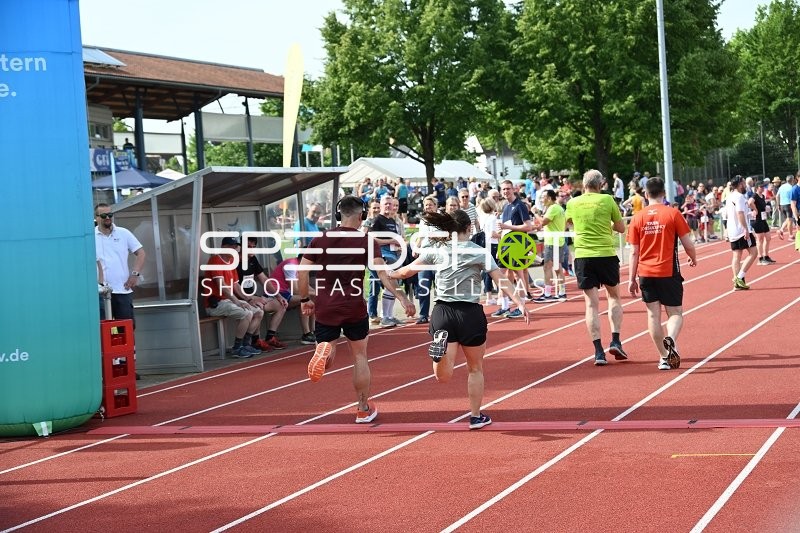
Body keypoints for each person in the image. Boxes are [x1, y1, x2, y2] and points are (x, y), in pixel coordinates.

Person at [388, 209, 529, 429]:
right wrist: (519, 302)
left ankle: (439, 349)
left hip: (443, 313)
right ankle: (475, 416)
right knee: (475, 368)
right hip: (469, 313)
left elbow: (407, 272)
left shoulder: (436, 250)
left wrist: (389, 272)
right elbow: (500, 279)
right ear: (469, 228)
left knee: (443, 376)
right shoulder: (480, 252)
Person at [298, 195, 416, 423]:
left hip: (326, 306)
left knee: (327, 349)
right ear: (361, 216)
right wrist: (401, 297)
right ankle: (362, 408)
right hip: (353, 306)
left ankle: (324, 351)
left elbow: (302, 272)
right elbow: (383, 274)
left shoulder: (320, 239)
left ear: (337, 215)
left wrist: (305, 299)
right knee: (360, 356)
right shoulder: (367, 241)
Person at [627, 177, 697, 371]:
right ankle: (671, 338)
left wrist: (631, 278)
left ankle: (664, 357)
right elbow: (688, 243)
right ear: (664, 193)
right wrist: (693, 257)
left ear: (645, 194)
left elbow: (634, 251)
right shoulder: (673, 214)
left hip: (645, 272)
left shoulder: (637, 217)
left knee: (653, 316)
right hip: (668, 271)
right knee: (675, 313)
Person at [564, 169, 627, 366]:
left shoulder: (573, 203)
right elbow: (621, 227)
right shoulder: (607, 200)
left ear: (583, 185)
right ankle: (615, 339)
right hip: (606, 254)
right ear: (601, 185)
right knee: (614, 296)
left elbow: (568, 223)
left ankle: (598, 351)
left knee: (591, 304)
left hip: (583, 256)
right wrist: (606, 224)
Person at [202, 237, 265, 358]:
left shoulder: (232, 262)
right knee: (246, 313)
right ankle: (237, 347)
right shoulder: (215, 260)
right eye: (231, 247)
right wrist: (237, 302)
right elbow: (222, 286)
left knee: (258, 311)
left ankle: (245, 343)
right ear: (223, 247)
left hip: (227, 301)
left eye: (235, 247)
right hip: (215, 304)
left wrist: (248, 299)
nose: (234, 249)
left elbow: (236, 285)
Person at [95, 203, 146, 323]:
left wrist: (135, 274)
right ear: (97, 218)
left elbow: (141, 253)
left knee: (125, 329)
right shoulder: (91, 236)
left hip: (122, 290)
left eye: (110, 214)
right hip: (100, 292)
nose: (107, 218)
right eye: (103, 215)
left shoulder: (123, 233)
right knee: (104, 330)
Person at [236, 236, 289, 350]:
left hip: (253, 297)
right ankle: (254, 341)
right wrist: (251, 298)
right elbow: (233, 287)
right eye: (248, 247)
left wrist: (279, 296)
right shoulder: (235, 262)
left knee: (281, 305)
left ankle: (270, 337)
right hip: (240, 299)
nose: (251, 250)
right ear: (240, 247)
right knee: (258, 306)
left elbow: (264, 279)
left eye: (254, 247)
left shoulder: (253, 259)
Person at [494, 179, 533, 318]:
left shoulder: (520, 205)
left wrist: (509, 227)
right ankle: (505, 306)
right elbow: (504, 231)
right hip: (506, 246)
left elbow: (528, 226)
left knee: (518, 275)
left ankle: (521, 306)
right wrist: (500, 247)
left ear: (513, 189)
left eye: (508, 189)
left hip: (518, 245)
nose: (505, 192)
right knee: (500, 274)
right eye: (503, 189)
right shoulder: (505, 207)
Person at [368, 195, 406, 327]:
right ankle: (385, 317)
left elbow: (395, 239)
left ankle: (388, 315)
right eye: (386, 204)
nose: (389, 206)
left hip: (393, 254)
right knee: (391, 283)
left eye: (391, 204)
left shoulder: (392, 221)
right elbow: (371, 239)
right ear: (381, 205)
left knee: (393, 285)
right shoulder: (377, 220)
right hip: (382, 255)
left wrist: (399, 245)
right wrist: (391, 241)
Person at [267, 256, 316, 344]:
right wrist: (314, 293)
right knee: (306, 300)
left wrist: (316, 293)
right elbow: (295, 290)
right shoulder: (291, 265)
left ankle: (314, 331)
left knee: (313, 299)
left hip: (286, 293)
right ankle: (307, 334)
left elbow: (305, 286)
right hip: (276, 294)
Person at [532, 189, 567, 302]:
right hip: (557, 240)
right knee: (557, 268)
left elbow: (543, 222)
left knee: (547, 267)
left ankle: (547, 294)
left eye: (544, 197)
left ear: (550, 198)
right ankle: (561, 292)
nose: (542, 199)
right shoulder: (557, 208)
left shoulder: (553, 208)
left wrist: (535, 213)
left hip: (552, 242)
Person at [410, 195, 440, 324]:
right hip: (424, 256)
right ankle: (423, 314)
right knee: (423, 285)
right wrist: (415, 249)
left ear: (436, 206)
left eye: (430, 205)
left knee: (439, 287)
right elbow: (421, 237)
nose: (428, 207)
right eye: (426, 205)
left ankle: (440, 313)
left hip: (438, 256)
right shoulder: (423, 220)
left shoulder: (441, 219)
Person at [725, 175, 758, 290]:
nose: (745, 185)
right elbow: (739, 213)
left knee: (737, 255)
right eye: (744, 183)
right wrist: (745, 229)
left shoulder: (730, 197)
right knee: (754, 252)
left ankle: (737, 282)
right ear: (740, 185)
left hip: (733, 230)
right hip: (740, 230)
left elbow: (737, 213)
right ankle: (739, 277)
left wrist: (749, 214)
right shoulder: (739, 197)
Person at [748, 182, 775, 265]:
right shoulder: (754, 196)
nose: (763, 188)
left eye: (763, 186)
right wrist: (755, 210)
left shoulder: (762, 196)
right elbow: (749, 203)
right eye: (761, 187)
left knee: (768, 237)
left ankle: (766, 256)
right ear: (757, 188)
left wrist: (766, 209)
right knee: (760, 239)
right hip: (756, 220)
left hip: (763, 219)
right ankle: (760, 258)